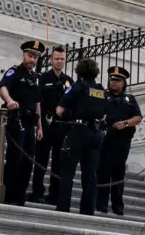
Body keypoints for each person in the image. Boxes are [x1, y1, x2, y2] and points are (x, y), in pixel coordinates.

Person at [55, 57, 106, 216]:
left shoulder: (77, 86)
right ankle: (87, 210)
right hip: (95, 133)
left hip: (78, 131)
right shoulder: (100, 89)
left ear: (79, 71)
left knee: (67, 172)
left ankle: (63, 208)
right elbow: (104, 115)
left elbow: (59, 110)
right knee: (90, 174)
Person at [0, 39, 44, 205]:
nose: (32, 60)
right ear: (24, 55)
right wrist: (9, 100)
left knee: (28, 160)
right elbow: (2, 86)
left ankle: (20, 195)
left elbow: (38, 103)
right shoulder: (15, 71)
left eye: (35, 57)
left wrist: (40, 127)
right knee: (15, 158)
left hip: (31, 122)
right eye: (30, 56)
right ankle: (10, 195)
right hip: (17, 120)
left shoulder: (35, 77)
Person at [96, 65, 142, 216]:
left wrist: (125, 123)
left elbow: (138, 117)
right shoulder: (102, 95)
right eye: (112, 80)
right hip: (105, 140)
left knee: (118, 173)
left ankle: (117, 205)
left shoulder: (130, 99)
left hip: (122, 142)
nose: (114, 83)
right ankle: (101, 204)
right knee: (103, 172)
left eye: (118, 80)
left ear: (124, 83)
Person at [28, 45, 71, 205]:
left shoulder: (69, 82)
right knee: (41, 160)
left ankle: (54, 195)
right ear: (51, 60)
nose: (59, 62)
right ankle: (37, 191)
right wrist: (38, 125)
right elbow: (37, 102)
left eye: (62, 59)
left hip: (62, 127)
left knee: (59, 164)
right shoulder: (43, 78)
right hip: (46, 125)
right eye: (57, 58)